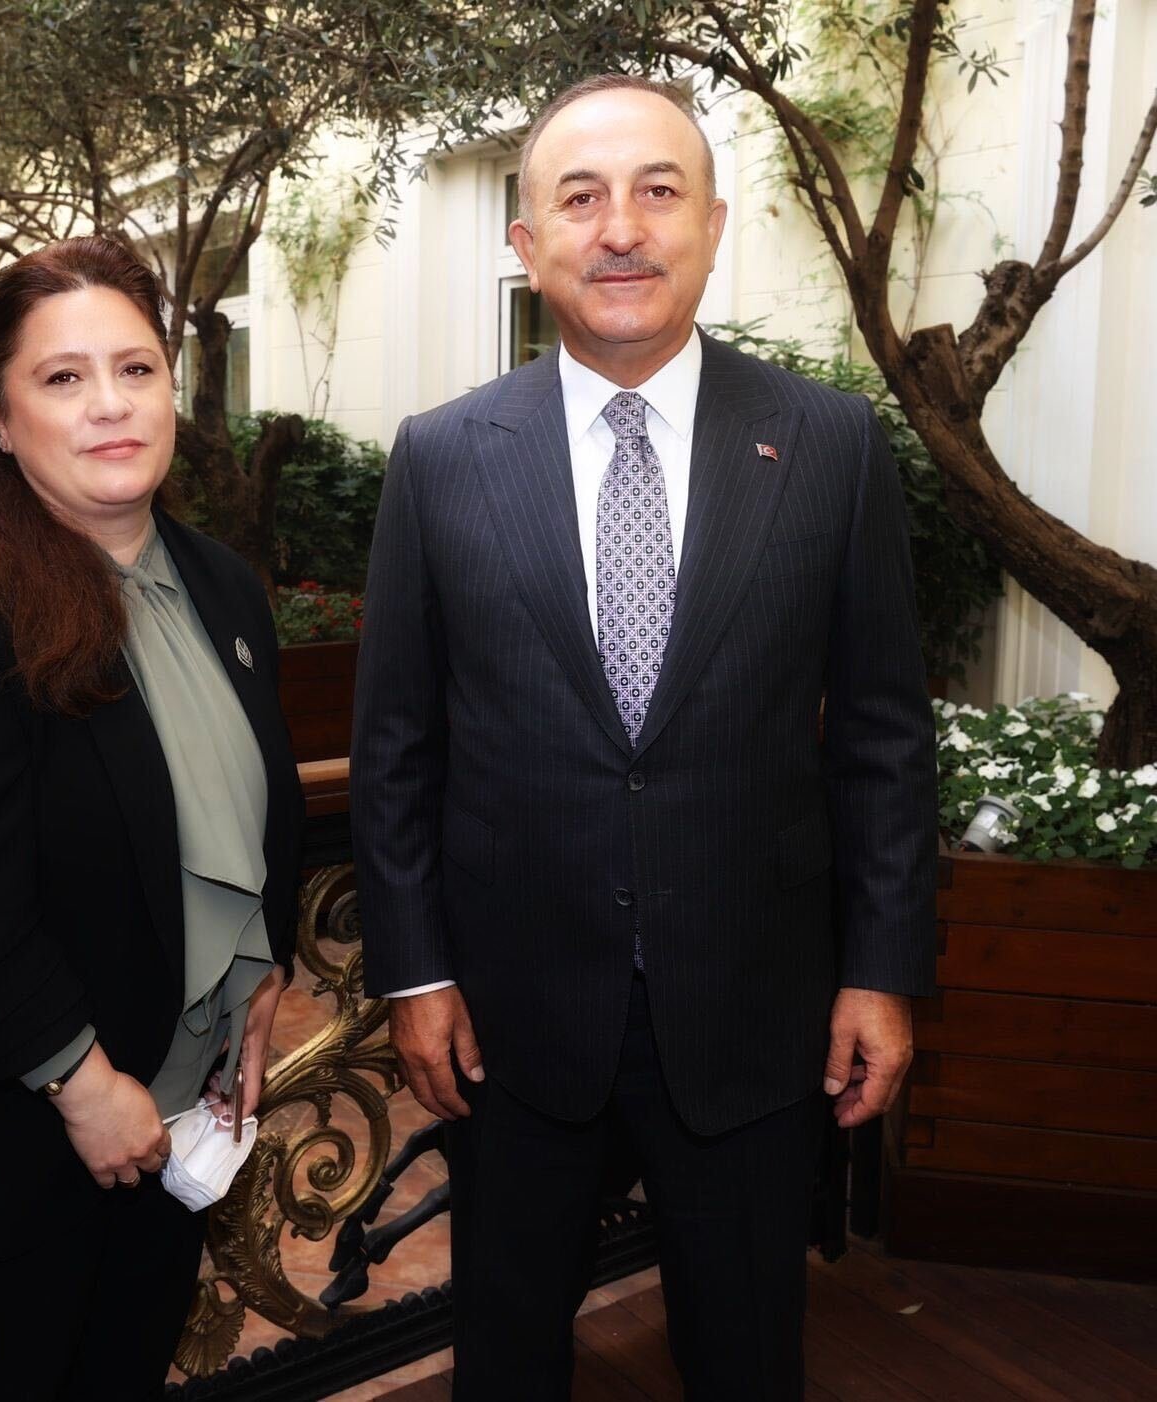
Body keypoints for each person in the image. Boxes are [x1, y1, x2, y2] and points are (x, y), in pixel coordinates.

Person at [352, 75, 935, 1400]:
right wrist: (414, 971)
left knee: (745, 1351)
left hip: (755, 1014)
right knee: (505, 1353)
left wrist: (883, 970)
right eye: (580, 196)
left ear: (714, 226)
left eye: (658, 191)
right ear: (529, 244)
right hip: (511, 1017)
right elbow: (395, 745)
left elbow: (886, 740)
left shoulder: (833, 443)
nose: (622, 227)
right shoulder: (440, 458)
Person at [0, 236, 305, 1401]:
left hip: (175, 1119)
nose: (110, 406)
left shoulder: (222, 585)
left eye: (135, 369)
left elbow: (253, 814)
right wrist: (83, 1083)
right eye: (63, 378)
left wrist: (260, 971)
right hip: (13, 1140)